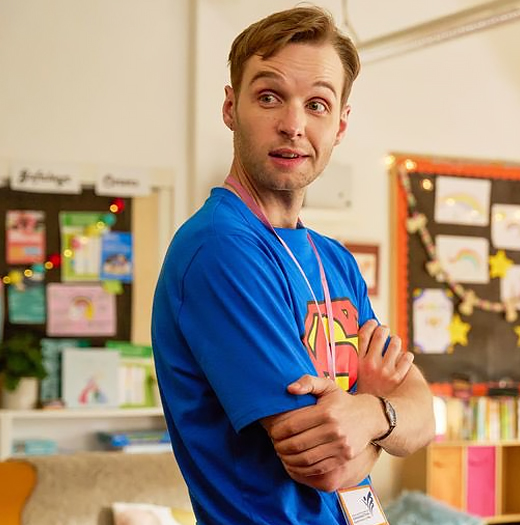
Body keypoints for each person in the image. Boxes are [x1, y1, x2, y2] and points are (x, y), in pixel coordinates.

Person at [151, 6, 434, 523]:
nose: (293, 125)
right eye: (269, 96)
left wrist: (368, 414)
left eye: (318, 104)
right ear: (230, 107)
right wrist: (380, 412)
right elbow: (324, 465)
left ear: (341, 124)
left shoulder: (335, 260)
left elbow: (426, 416)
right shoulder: (219, 248)